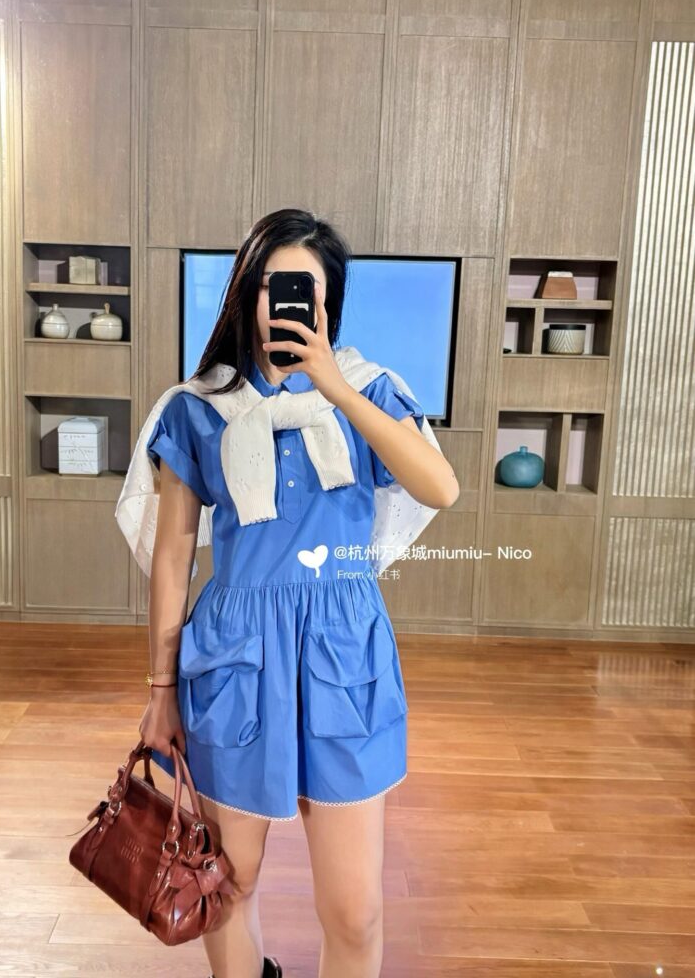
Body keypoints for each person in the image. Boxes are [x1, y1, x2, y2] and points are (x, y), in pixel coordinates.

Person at [135, 209, 459, 978]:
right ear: (249, 293)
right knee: (228, 886)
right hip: (237, 664)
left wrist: (335, 385)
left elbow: (440, 487)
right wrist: (159, 691)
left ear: (326, 303)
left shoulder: (367, 391)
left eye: (306, 290)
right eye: (272, 285)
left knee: (356, 909)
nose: (286, 302)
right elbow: (173, 560)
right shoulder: (196, 409)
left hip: (344, 659)